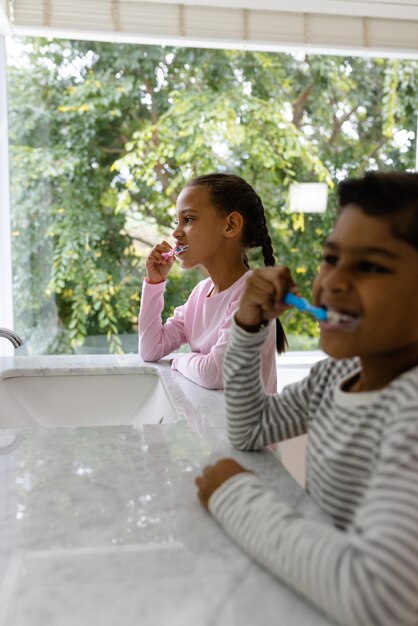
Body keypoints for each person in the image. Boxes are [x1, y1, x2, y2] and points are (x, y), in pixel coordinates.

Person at [195, 171, 418, 626]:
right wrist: (247, 329)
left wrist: (236, 495)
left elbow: (378, 596)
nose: (332, 282)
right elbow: (249, 427)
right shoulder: (338, 374)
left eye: (370, 266)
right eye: (331, 258)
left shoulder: (410, 408)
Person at [139, 173, 286, 391]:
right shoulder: (201, 293)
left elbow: (216, 373)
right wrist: (154, 283)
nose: (176, 232)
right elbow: (150, 349)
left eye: (188, 219)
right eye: (176, 221)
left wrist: (180, 361)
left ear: (231, 225)